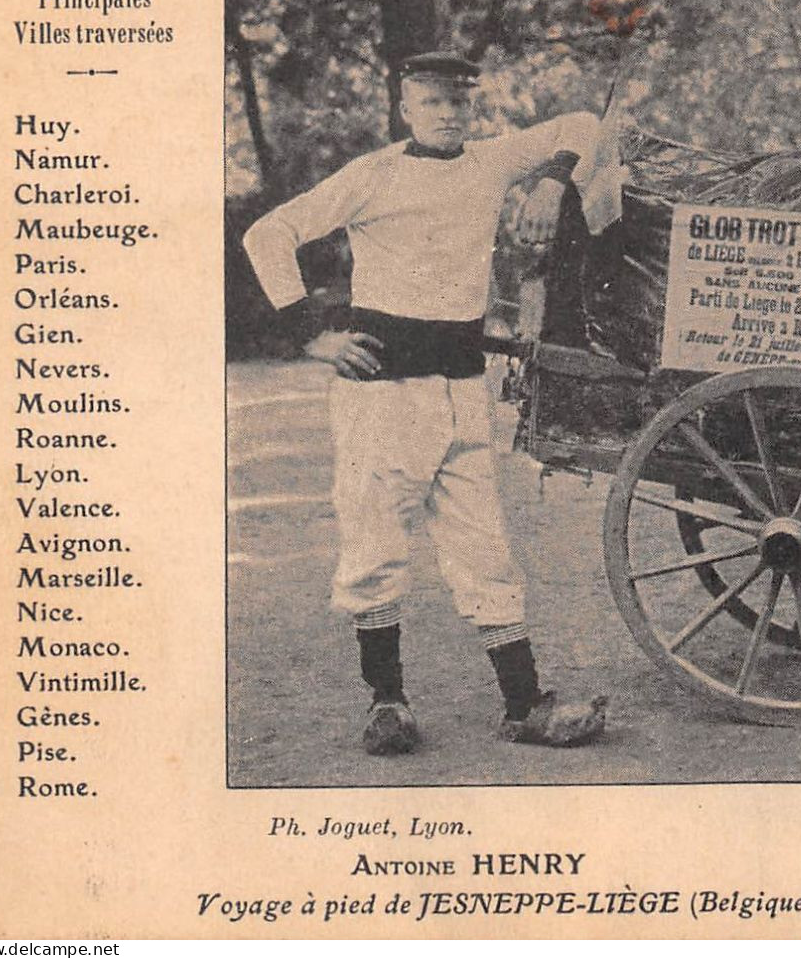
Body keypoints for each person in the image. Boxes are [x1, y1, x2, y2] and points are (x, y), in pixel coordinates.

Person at [243, 52, 611, 752]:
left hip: (460, 385)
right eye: (431, 101)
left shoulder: (490, 162)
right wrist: (308, 333)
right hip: (382, 393)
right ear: (404, 108)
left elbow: (582, 121)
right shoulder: (372, 175)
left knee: (484, 547)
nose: (447, 112)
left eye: (456, 101)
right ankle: (387, 702)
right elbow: (269, 234)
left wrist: (551, 181)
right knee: (377, 540)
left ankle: (524, 704)